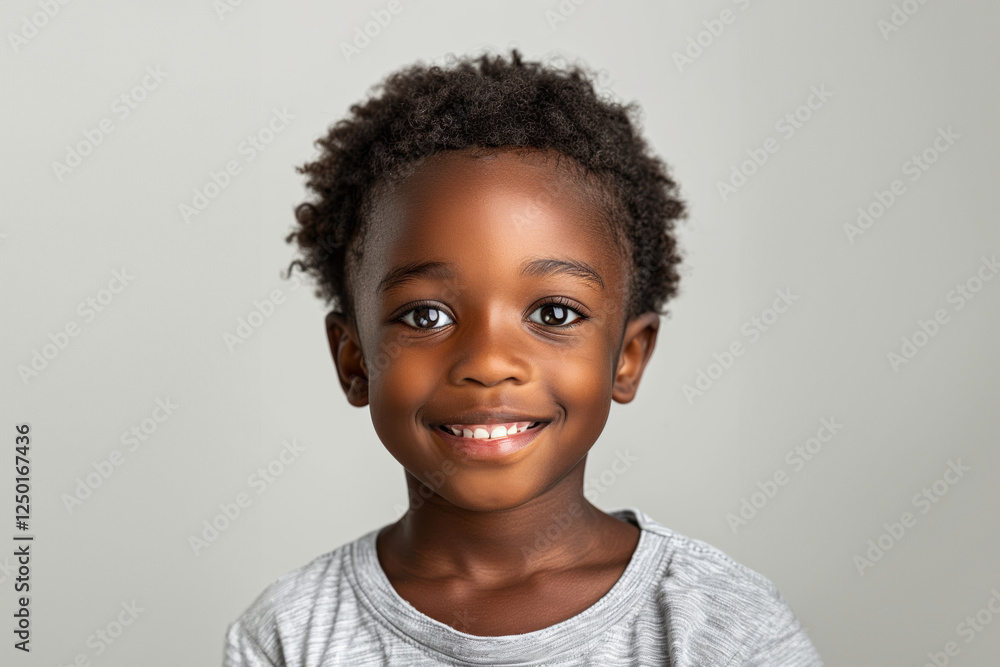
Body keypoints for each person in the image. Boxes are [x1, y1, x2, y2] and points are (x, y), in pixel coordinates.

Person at [224, 48, 823, 666]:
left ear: (628, 356)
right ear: (354, 361)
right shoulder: (290, 635)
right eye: (427, 316)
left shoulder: (723, 627)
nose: (489, 362)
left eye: (554, 314)